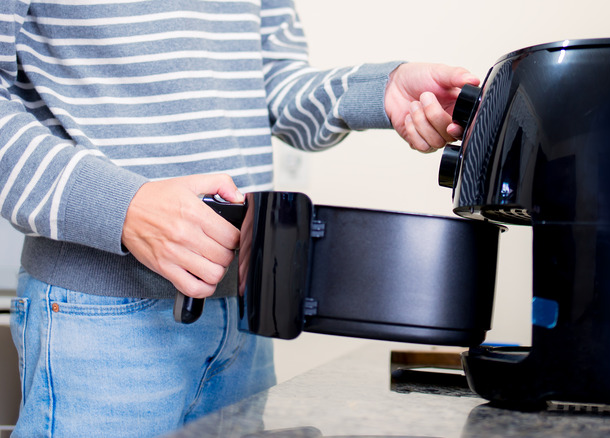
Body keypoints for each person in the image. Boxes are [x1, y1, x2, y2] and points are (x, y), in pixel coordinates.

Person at [1, 0, 479, 436]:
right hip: (99, 318)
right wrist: (125, 206)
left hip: (242, 316)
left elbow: (270, 80)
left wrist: (383, 89)